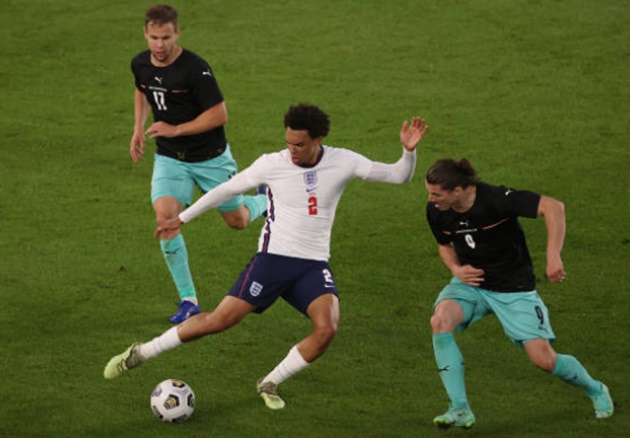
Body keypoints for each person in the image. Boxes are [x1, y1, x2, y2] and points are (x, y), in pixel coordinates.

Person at [105, 103, 429, 410]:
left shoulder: (343, 161)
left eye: (299, 144)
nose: (292, 150)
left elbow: (399, 175)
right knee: (219, 321)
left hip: (313, 265)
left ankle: (270, 382)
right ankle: (142, 352)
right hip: (272, 261)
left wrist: (408, 152)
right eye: (288, 142)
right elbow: (227, 190)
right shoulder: (271, 163)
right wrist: (183, 218)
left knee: (327, 329)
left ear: (318, 140)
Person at [423, 158, 614, 429]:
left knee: (544, 360)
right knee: (440, 321)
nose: (431, 199)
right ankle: (460, 408)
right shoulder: (437, 211)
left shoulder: (496, 199)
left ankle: (595, 389)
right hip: (471, 285)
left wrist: (553, 256)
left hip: (513, 288)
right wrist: (455, 268)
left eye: (436, 193)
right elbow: (444, 244)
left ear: (458, 190)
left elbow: (553, 207)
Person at [130, 4, 267, 323]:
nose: (160, 45)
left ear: (177, 33)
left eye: (166, 37)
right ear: (145, 34)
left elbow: (220, 115)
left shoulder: (195, 69)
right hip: (169, 159)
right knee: (165, 218)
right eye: (154, 37)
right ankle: (188, 301)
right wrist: (138, 127)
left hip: (211, 160)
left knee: (238, 221)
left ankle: (264, 200)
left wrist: (175, 128)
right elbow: (142, 90)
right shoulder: (139, 63)